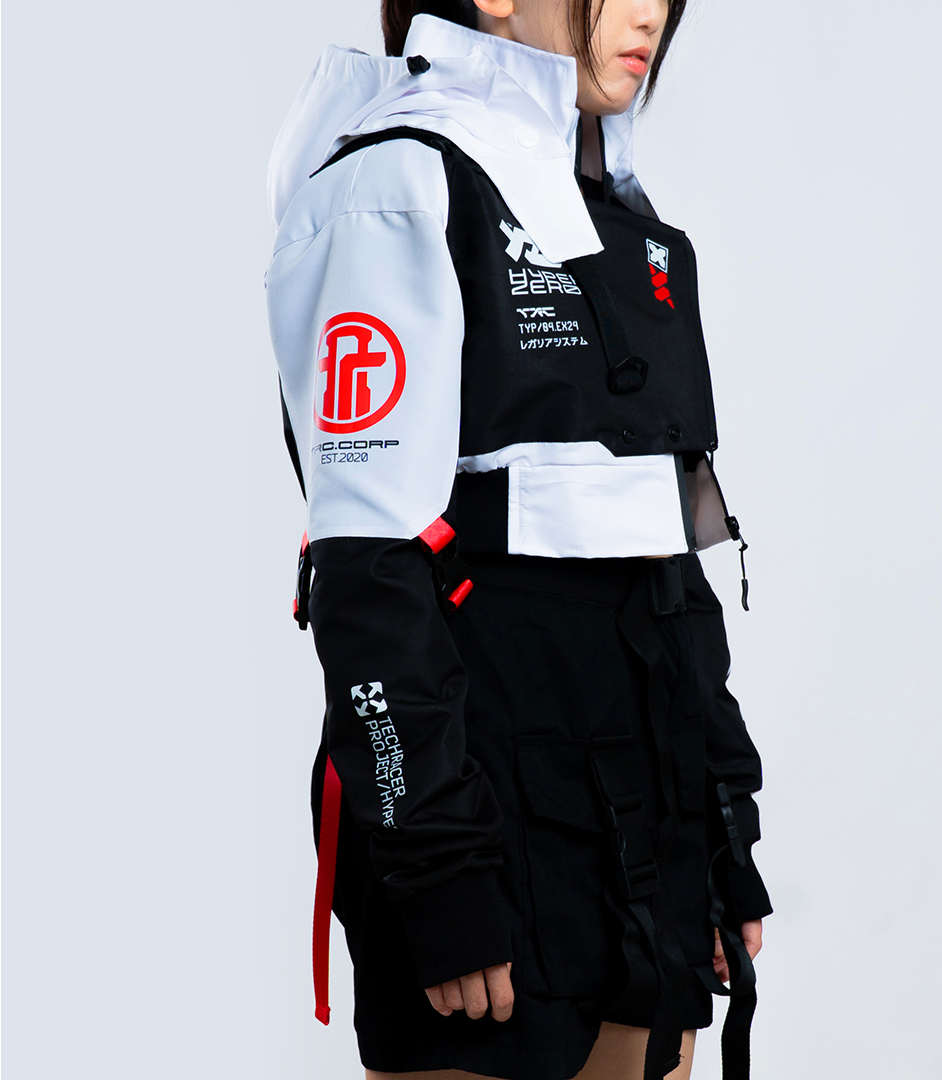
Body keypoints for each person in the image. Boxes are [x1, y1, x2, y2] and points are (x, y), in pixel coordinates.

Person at [266, 0, 772, 1076]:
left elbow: (664, 549)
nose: (650, 12)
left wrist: (723, 820)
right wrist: (439, 869)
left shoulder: (618, 214)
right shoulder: (397, 184)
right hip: (482, 802)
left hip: (643, 802)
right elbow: (365, 570)